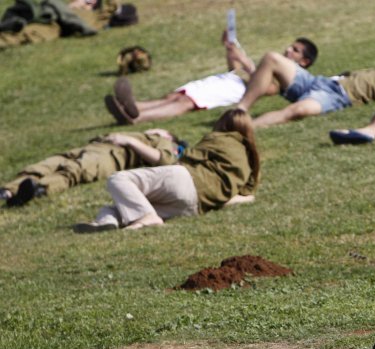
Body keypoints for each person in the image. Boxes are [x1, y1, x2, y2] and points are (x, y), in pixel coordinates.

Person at [74, 109, 259, 232]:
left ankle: (147, 217)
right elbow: (246, 196)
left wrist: (135, 140)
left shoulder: (221, 138)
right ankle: (107, 223)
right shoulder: (250, 159)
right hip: (193, 207)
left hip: (187, 182)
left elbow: (175, 160)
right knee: (121, 205)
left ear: (222, 124)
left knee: (118, 180)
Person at [104, 36, 319, 125]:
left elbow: (265, 88)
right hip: (224, 80)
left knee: (185, 103)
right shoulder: (270, 66)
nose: (288, 49)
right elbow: (234, 70)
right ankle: (130, 106)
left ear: (305, 62)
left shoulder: (284, 79)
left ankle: (136, 117)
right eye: (291, 46)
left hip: (230, 91)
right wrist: (231, 50)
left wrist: (245, 60)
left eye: (295, 50)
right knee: (174, 96)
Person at [234, 51, 375, 128]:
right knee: (271, 57)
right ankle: (239, 111)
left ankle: (241, 126)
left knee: (298, 110)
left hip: (336, 95)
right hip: (320, 82)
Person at [1, 129, 185, 207]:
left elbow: (164, 161)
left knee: (74, 171)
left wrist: (130, 141)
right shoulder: (143, 135)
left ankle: (38, 189)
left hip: (109, 157)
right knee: (44, 165)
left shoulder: (164, 141)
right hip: (90, 148)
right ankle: (8, 191)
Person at [0, 0, 116, 49]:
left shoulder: (96, 16)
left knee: (23, 34)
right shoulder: (68, 5)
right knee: (23, 8)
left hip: (52, 24)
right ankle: (12, 21)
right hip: (47, 14)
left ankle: (11, 24)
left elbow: (113, 6)